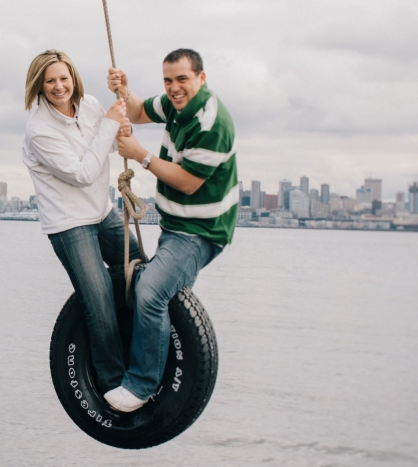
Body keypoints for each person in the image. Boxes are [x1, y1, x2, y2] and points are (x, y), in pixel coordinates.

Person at [103, 49, 238, 412]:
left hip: (201, 233)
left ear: (201, 78)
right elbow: (137, 111)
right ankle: (155, 373)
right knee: (163, 301)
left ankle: (142, 385)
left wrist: (141, 155)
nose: (174, 88)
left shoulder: (212, 123)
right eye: (168, 80)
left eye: (182, 79)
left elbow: (189, 182)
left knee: (149, 292)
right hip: (176, 226)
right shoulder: (177, 104)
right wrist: (126, 91)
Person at [22, 50, 141, 395]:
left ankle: (138, 352)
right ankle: (113, 386)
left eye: (64, 78)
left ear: (73, 77)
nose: (59, 86)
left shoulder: (88, 105)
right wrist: (109, 123)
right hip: (69, 225)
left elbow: (104, 144)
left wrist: (120, 127)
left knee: (139, 271)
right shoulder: (39, 130)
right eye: (50, 81)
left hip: (101, 213)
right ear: (39, 86)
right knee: (99, 302)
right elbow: (82, 173)